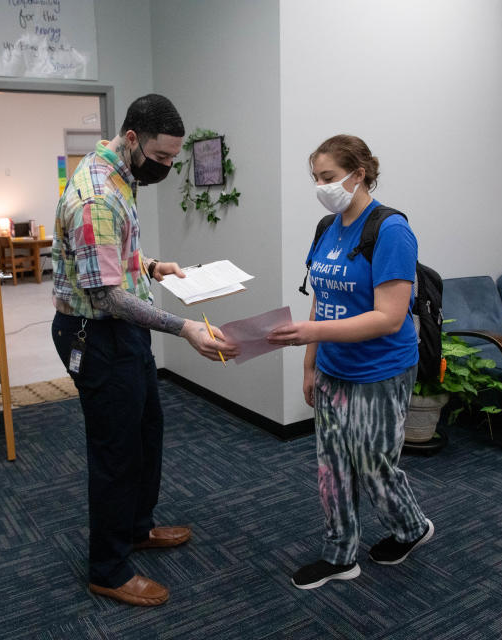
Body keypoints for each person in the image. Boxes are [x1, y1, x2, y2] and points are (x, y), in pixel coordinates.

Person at [50, 94, 239, 607]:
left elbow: (112, 259)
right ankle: (108, 569)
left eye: (173, 160)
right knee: (116, 454)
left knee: (145, 433)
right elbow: (105, 294)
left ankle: (136, 528)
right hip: (99, 334)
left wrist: (153, 267)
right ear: (131, 138)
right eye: (160, 158)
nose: (166, 168)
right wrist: (184, 329)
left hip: (121, 331)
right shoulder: (95, 195)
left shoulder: (118, 174)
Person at [267, 134, 433, 590]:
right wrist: (309, 363)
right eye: (316, 179)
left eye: (328, 177)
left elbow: (389, 316)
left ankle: (412, 527)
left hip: (381, 368)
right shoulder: (327, 228)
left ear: (358, 174)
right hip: (333, 368)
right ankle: (341, 554)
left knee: (373, 463)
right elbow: (322, 302)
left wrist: (312, 334)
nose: (321, 186)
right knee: (332, 465)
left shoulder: (391, 229)